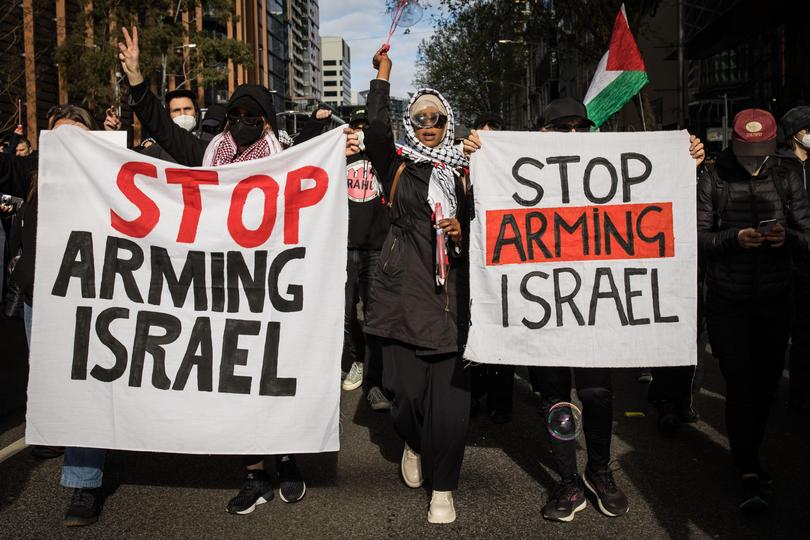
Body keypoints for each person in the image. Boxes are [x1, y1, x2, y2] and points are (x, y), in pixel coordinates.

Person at [117, 26, 360, 516]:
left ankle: (288, 460)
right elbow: (162, 128)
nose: (244, 122)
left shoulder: (288, 162)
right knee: (237, 381)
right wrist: (139, 81)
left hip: (277, 287)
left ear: (268, 122)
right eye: (237, 115)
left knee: (278, 373)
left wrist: (350, 141)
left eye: (254, 115)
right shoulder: (206, 157)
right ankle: (253, 474)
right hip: (225, 289)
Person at [534, 97, 705, 523]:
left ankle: (598, 471)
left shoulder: (606, 166)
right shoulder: (530, 171)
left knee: (597, 393)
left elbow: (653, 197)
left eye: (580, 127)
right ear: (542, 135)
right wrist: (483, 155)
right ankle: (569, 482)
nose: (573, 134)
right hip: (549, 308)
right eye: (562, 127)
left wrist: (687, 164)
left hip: (595, 307)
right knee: (556, 397)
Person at [361, 44, 480, 524]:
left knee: (451, 408)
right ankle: (411, 440)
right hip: (402, 297)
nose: (428, 123)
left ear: (448, 122)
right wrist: (383, 77)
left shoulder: (470, 169)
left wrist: (462, 230)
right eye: (419, 116)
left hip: (452, 301)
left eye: (436, 116)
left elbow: (503, 227)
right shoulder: (398, 165)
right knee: (404, 396)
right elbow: (373, 132)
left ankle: (444, 488)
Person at [698, 108, 810, 513]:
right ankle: (747, 466)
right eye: (747, 150)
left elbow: (807, 235)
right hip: (728, 302)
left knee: (765, 388)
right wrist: (734, 238)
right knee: (741, 386)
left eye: (760, 150)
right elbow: (698, 237)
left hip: (775, 299)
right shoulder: (712, 177)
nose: (753, 159)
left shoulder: (787, 175)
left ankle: (751, 451)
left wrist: (788, 239)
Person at [336, 107, 394, 411]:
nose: (359, 132)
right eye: (355, 127)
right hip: (342, 248)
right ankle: (358, 358)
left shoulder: (384, 160)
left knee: (374, 315)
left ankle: (376, 380)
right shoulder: (337, 160)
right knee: (345, 315)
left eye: (365, 128)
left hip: (375, 248)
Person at [468, 111, 515, 424]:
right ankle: (472, 395)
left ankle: (500, 400)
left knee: (503, 332)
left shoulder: (513, 170)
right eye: (480, 137)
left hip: (506, 264)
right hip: (471, 263)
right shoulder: (460, 168)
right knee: (473, 332)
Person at [777, 106, 810, 414]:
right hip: (786, 262)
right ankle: (796, 396)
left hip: (806, 262)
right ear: (795, 135)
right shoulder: (779, 168)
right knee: (795, 335)